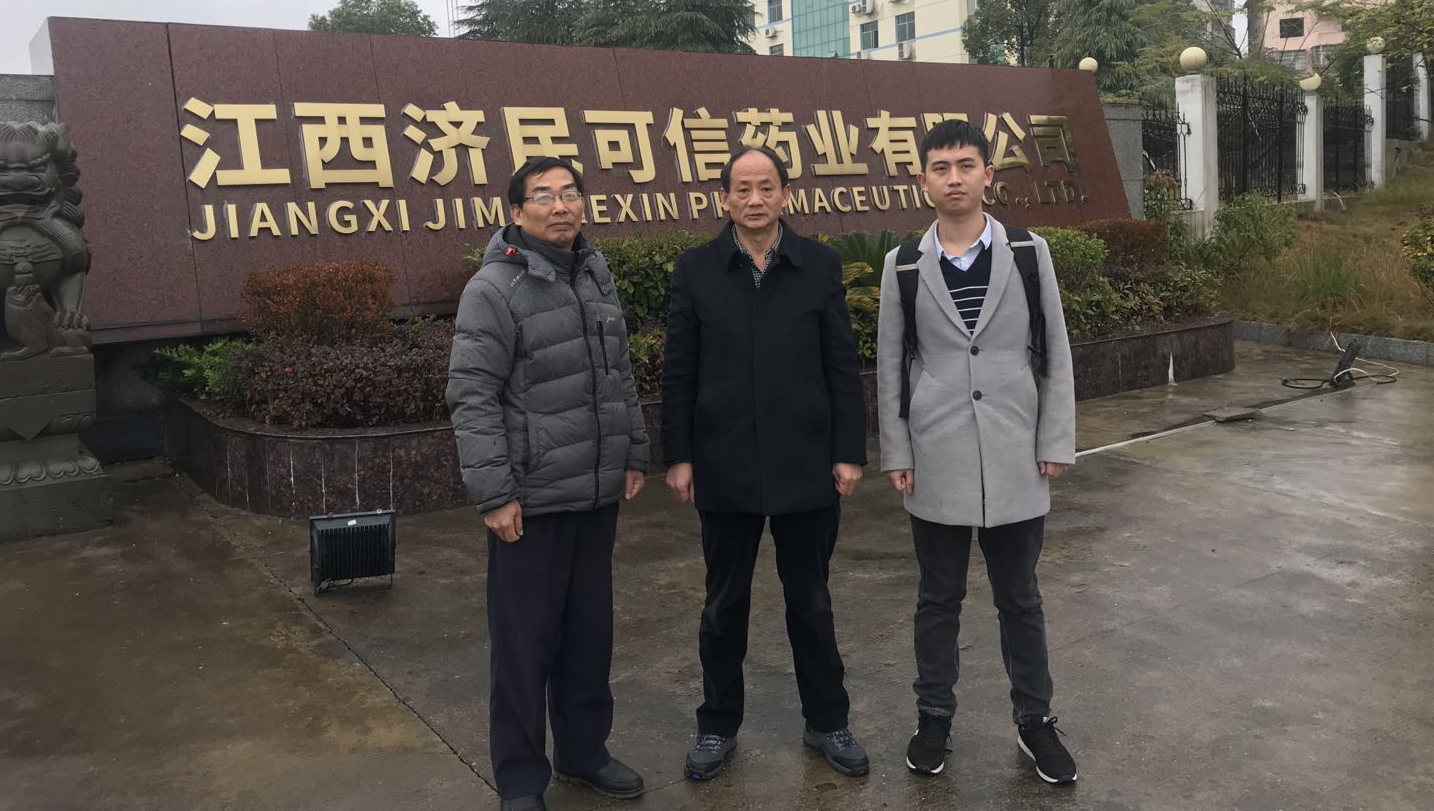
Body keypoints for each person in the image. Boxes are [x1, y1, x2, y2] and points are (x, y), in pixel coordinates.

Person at [876, 119, 1079, 785]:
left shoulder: (1027, 252)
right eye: (941, 167)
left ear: (988, 174)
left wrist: (1054, 437)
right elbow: (890, 363)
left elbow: (1055, 348)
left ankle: (1035, 721)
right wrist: (897, 450)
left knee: (1020, 598)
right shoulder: (905, 264)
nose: (954, 178)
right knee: (938, 599)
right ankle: (933, 716)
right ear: (923, 181)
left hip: (1017, 449)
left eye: (966, 165)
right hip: (936, 454)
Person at [661, 145, 871, 782]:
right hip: (724, 465)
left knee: (811, 602)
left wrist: (848, 451)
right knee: (724, 605)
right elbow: (680, 371)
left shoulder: (818, 265)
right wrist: (679, 455)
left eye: (767, 187)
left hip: (806, 463)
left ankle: (828, 720)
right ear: (723, 198)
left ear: (786, 194)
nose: (755, 199)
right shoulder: (697, 269)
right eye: (742, 189)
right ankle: (717, 725)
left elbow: (841, 366)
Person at [447, 157, 650, 811]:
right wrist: (494, 493)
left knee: (589, 634)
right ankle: (519, 780)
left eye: (570, 193)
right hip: (531, 501)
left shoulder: (592, 273)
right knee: (523, 645)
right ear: (516, 211)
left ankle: (584, 753)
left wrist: (633, 451)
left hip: (594, 491)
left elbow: (617, 375)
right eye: (543, 196)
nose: (560, 206)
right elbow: (472, 395)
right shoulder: (493, 289)